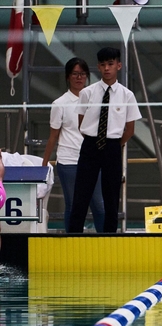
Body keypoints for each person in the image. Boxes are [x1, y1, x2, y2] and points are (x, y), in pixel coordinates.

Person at [69, 47, 142, 233]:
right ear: (98, 67)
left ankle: (110, 236)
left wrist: (114, 144)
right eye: (103, 65)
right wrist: (95, 140)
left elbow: (130, 129)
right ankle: (73, 235)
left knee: (111, 196)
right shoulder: (87, 93)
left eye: (110, 64)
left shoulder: (127, 95)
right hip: (90, 145)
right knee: (81, 195)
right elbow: (81, 123)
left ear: (119, 65)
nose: (107, 68)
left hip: (112, 146)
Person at [43, 57, 105, 233]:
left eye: (83, 74)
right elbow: (53, 136)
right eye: (75, 74)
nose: (79, 78)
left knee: (100, 206)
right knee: (75, 205)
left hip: (93, 159)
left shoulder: (96, 99)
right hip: (69, 161)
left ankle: (107, 243)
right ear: (68, 77)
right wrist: (44, 163)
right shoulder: (60, 104)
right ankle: (72, 244)